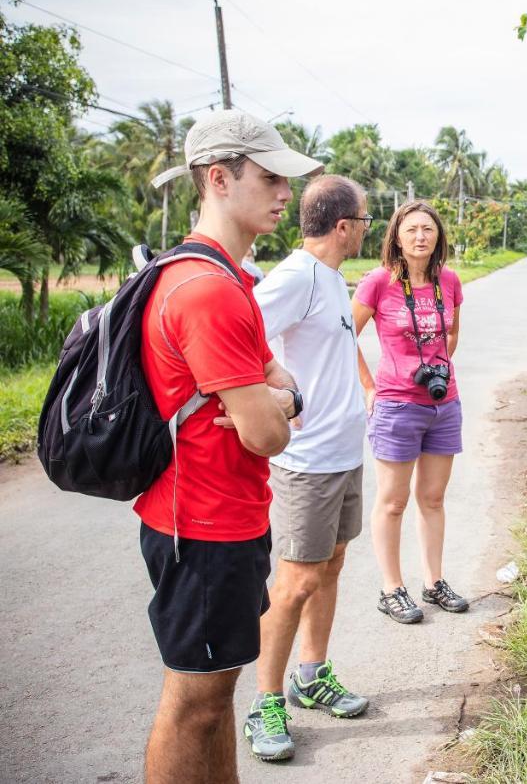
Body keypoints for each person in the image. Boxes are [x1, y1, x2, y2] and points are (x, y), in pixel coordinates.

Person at [140, 109, 322, 784]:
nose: (285, 192)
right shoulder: (209, 290)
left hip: (228, 517)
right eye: (270, 176)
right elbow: (269, 430)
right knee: (194, 704)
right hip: (202, 526)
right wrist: (272, 405)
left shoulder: (235, 277)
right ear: (219, 178)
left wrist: (276, 399)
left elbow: (283, 389)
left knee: (216, 702)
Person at [239, 175, 372, 761]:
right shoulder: (295, 276)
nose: (369, 228)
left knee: (330, 566)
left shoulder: (329, 278)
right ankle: (264, 703)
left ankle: (311, 675)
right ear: (343, 226)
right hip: (309, 461)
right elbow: (241, 338)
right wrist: (275, 404)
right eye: (366, 218)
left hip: (343, 454)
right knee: (294, 583)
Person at [353, 200, 469, 623]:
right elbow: (343, 336)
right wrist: (369, 386)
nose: (421, 236)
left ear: (438, 237)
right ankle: (392, 588)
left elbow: (452, 330)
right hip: (397, 406)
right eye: (412, 229)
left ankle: (434, 582)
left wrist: (438, 366)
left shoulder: (450, 281)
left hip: (444, 404)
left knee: (433, 499)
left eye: (428, 229)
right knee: (393, 502)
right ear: (397, 238)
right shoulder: (378, 283)